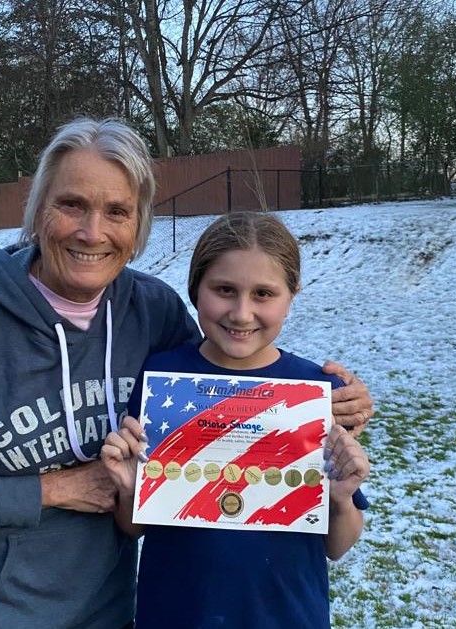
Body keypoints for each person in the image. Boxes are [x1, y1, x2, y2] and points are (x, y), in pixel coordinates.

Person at [0, 118, 373, 629]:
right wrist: (54, 489)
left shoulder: (151, 312)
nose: (92, 232)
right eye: (72, 204)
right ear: (38, 210)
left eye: (117, 212)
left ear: (139, 225)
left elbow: (233, 366)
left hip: (114, 614)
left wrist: (338, 403)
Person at [102, 211, 371, 629]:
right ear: (196, 289)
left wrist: (339, 498)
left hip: (284, 615)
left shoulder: (317, 391)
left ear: (291, 296)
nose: (242, 314)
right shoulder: (162, 378)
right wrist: (128, 489)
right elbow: (134, 526)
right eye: (225, 290)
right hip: (176, 614)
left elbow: (336, 546)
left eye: (264, 294)